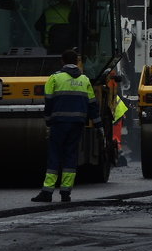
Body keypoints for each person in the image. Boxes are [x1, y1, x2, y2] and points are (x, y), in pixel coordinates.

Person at [31, 49, 101, 203]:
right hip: (77, 125)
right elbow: (92, 105)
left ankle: (47, 192)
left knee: (55, 155)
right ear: (77, 62)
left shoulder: (54, 78)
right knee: (71, 156)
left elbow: (48, 102)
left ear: (62, 61)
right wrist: (98, 125)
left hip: (59, 123)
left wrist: (48, 120)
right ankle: (65, 193)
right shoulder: (85, 80)